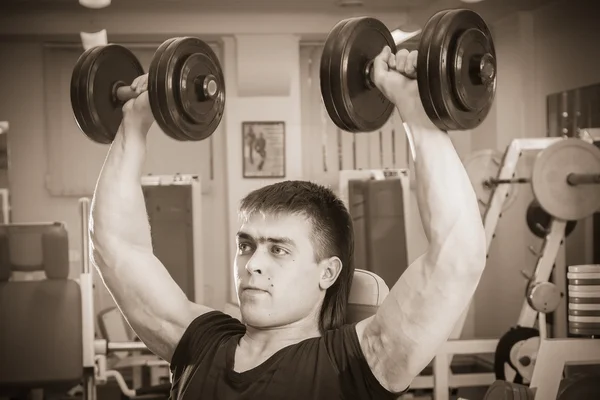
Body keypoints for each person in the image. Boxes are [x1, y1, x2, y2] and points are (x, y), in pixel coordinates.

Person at [88, 46, 486, 399]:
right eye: (246, 245)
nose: (253, 264)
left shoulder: (353, 363)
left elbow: (458, 256)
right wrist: (133, 122)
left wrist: (412, 105)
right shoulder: (201, 341)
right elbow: (116, 247)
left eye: (278, 249)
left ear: (328, 272)